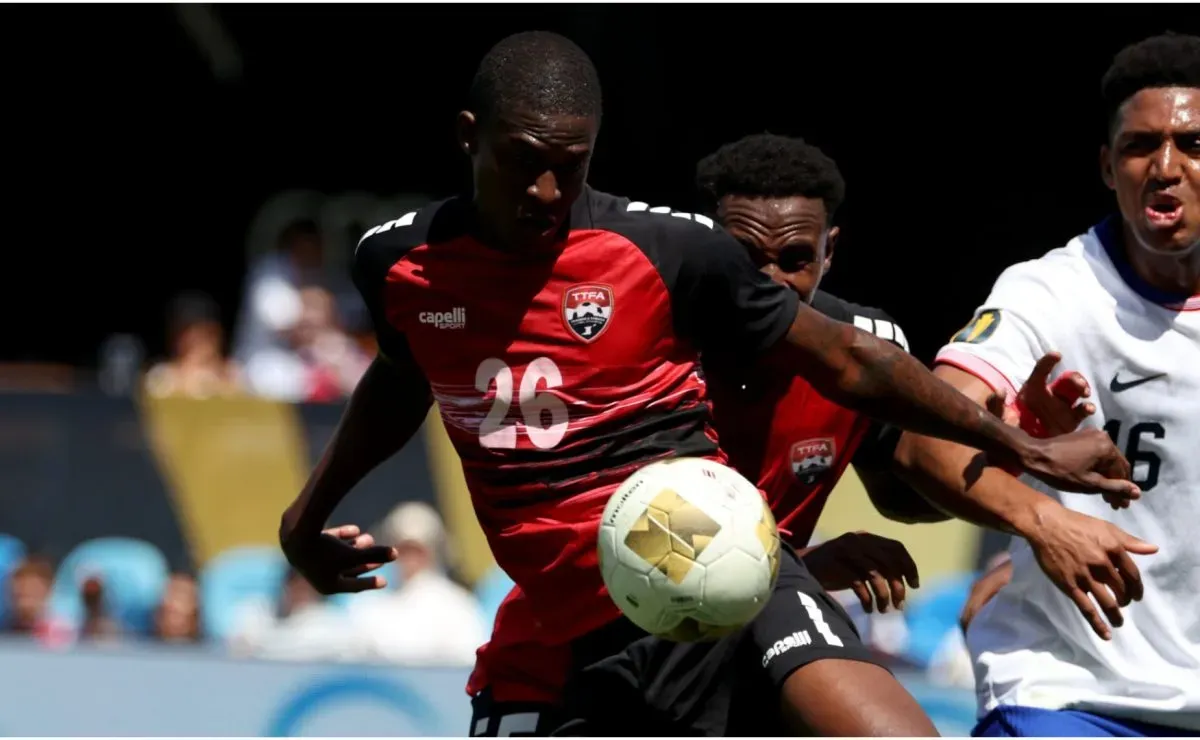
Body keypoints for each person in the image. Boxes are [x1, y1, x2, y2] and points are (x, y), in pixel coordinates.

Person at [278, 30, 1134, 737]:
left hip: (716, 564)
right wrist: (306, 515)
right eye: (522, 161)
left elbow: (850, 363)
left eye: (569, 166)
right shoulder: (397, 264)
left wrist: (1025, 448)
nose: (545, 190)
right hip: (568, 628)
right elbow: (400, 378)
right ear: (469, 136)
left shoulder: (664, 252)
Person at [895, 32, 1200, 737]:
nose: (1164, 167)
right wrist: (1043, 523)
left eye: (1193, 144)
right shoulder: (1050, 293)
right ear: (1105, 166)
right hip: (1066, 687)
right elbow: (922, 445)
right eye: (1139, 146)